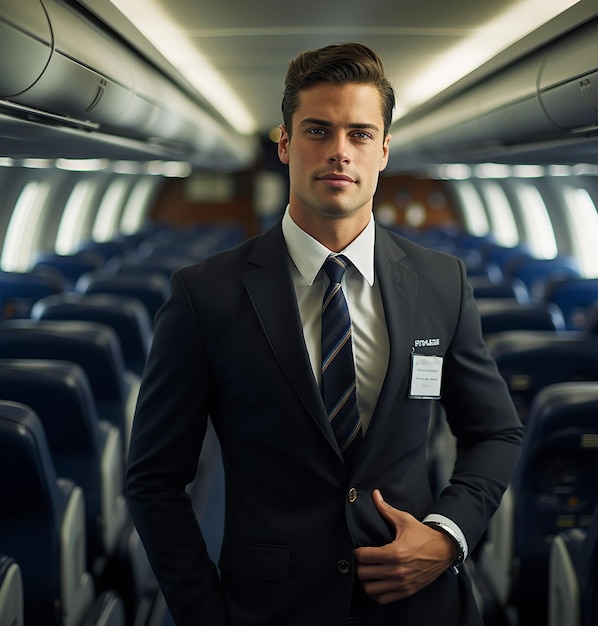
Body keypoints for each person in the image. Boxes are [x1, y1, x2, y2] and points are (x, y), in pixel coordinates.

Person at [126, 42, 524, 626]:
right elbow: (154, 479)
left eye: (360, 134)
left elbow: (495, 432)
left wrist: (447, 537)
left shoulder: (443, 282)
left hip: (419, 605)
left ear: (384, 151)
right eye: (318, 130)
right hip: (270, 608)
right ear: (284, 143)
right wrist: (204, 613)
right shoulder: (203, 294)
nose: (340, 152)